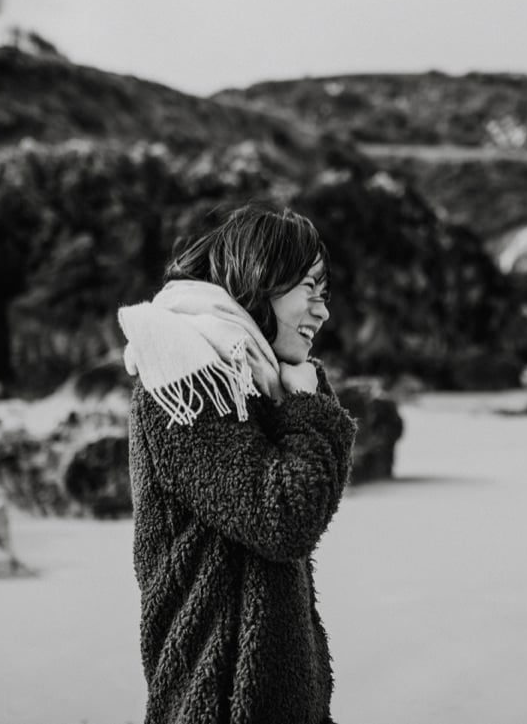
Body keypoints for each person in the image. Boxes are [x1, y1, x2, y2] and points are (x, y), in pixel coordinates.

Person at [118, 203, 357, 724]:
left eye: (325, 292)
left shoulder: (255, 373)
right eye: (308, 289)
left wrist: (301, 399)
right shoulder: (183, 375)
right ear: (261, 277)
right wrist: (309, 407)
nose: (322, 310)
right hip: (218, 699)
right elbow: (284, 517)